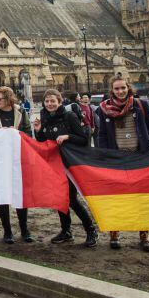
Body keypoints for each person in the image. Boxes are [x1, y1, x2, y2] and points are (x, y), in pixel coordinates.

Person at [96, 75, 149, 252]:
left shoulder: (141, 105)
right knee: (116, 199)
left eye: (123, 88)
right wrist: (105, 156)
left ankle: (144, 235)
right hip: (117, 161)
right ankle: (115, 232)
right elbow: (101, 136)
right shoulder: (104, 109)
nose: (120, 91)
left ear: (128, 88)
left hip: (140, 159)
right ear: (112, 90)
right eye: (117, 89)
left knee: (142, 198)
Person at [32, 89, 98, 248]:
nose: (50, 104)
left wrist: (68, 136)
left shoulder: (69, 116)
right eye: (47, 101)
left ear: (59, 102)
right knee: (60, 198)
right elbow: (43, 141)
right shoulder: (44, 117)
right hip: (54, 165)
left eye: (53, 101)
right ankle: (66, 231)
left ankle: (91, 230)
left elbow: (83, 138)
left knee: (72, 200)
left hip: (70, 164)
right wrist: (38, 130)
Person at [0, 87, 33, 244]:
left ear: (8, 99)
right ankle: (7, 231)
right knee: (2, 194)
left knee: (20, 194)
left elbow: (28, 133)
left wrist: (16, 133)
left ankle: (24, 230)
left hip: (17, 158)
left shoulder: (20, 112)